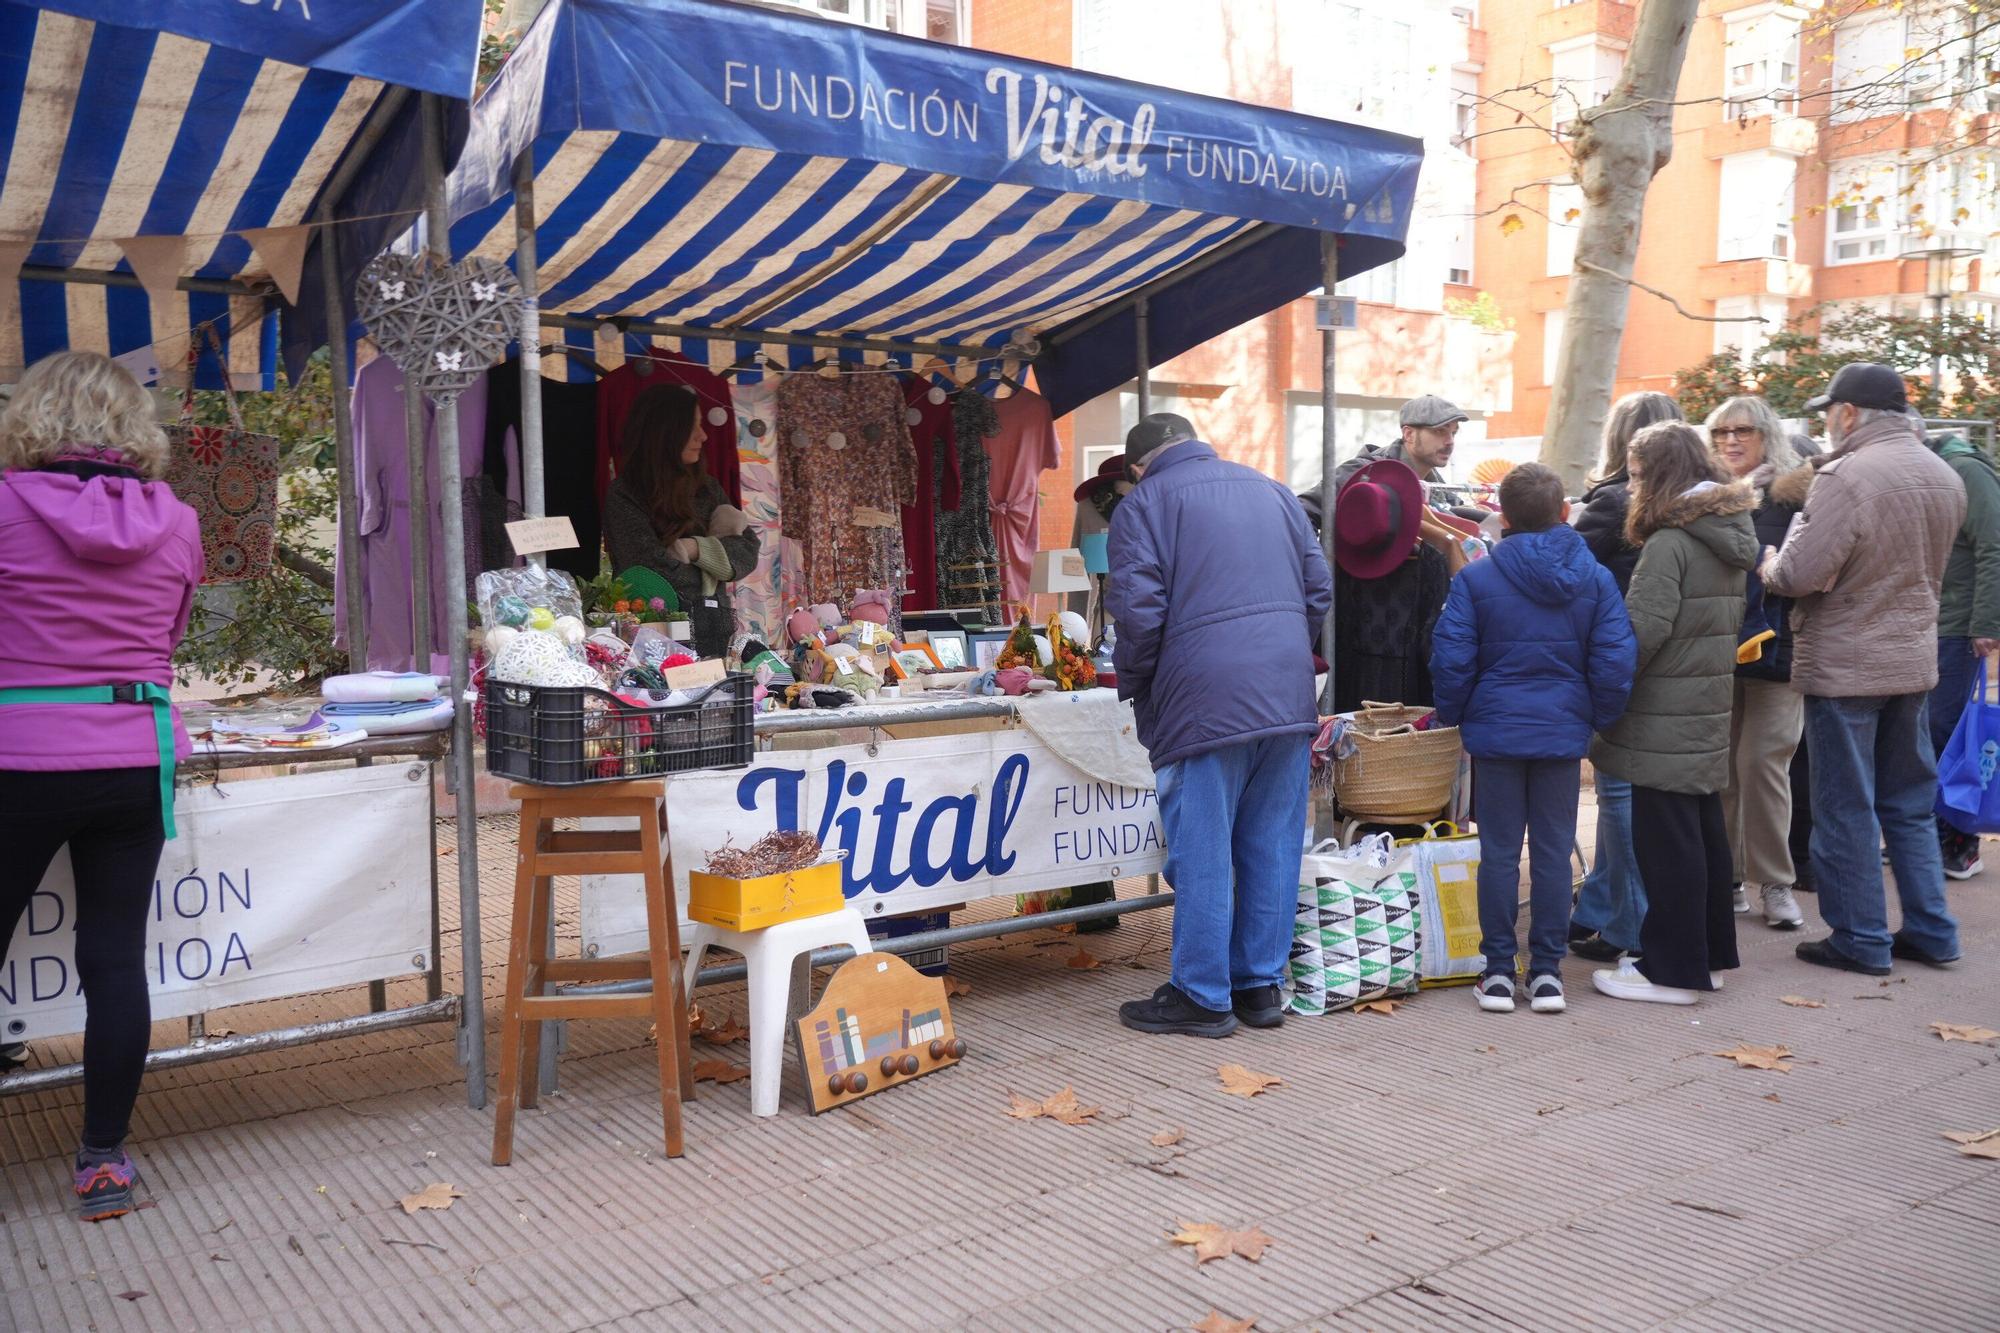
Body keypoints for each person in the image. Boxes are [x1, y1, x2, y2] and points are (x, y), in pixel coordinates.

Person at [0, 350, 204, 1220]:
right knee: (114, 960)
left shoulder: (4, 505)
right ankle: (102, 1160)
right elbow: (171, 629)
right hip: (135, 752)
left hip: (19, 754)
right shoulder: (182, 520)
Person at [1106, 412, 1332, 1037]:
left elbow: (1139, 613)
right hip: (1285, 691)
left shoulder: (1143, 504)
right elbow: (1318, 588)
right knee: (1272, 842)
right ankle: (1259, 988)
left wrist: (1137, 683)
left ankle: (1203, 995)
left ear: (1137, 467)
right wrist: (1280, 649)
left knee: (1203, 849)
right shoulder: (1274, 490)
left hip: (1203, 697)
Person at [1761, 364, 1966, 975]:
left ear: (1848, 413)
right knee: (1907, 803)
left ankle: (1860, 937)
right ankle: (1932, 929)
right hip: (1912, 658)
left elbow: (1799, 575)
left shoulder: (1846, 476)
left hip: (1847, 662)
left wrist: (1771, 563)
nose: (1826, 421)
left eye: (1830, 410)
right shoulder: (1943, 472)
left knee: (1845, 807)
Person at [1430, 463, 1636, 1014]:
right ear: (1565, 513)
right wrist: (1595, 717)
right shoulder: (1594, 578)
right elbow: (1616, 660)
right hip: (1562, 733)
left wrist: (1457, 716)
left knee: (1498, 853)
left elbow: (1451, 659)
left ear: (1502, 515)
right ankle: (1547, 974)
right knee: (1551, 853)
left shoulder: (1475, 579)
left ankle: (1497, 971)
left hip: (1496, 733)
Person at [1589, 422, 1758, 1005]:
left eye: (1636, 476)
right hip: (1704, 704)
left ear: (1657, 476)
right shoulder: (1726, 531)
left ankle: (1672, 970)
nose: (1631, 487)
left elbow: (1644, 632)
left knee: (1667, 843)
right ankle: (1705, 959)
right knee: (1701, 834)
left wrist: (1601, 687)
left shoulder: (1671, 541)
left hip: (1662, 709)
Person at [1568, 391, 1684, 964]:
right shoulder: (1692, 505)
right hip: (1682, 670)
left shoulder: (1614, 503)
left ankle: (1634, 926)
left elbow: (1567, 571)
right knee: (1630, 792)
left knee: (1618, 792)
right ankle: (1600, 909)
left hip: (1623, 661)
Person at [1705, 395, 1809, 929]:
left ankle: (1775, 884)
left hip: (1778, 651)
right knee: (1720, 769)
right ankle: (1725, 876)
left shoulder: (1793, 497)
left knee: (1763, 765)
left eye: (1743, 430)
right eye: (1721, 432)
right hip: (1717, 652)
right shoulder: (1704, 497)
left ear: (1768, 434)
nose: (1730, 440)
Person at [602, 383, 760, 660]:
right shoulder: (624, 495)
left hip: (715, 629)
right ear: (664, 431)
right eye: (693, 426)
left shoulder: (707, 488)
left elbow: (747, 550)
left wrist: (695, 550)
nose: (704, 436)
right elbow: (649, 569)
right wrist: (715, 564)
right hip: (654, 637)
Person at [1922, 421, 2000, 880]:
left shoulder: (1966, 471)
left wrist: (1986, 623)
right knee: (1930, 735)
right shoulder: (1940, 470)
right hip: (1932, 624)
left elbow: (1994, 546)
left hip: (1956, 628)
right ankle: (1931, 835)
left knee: (1950, 735)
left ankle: (1960, 842)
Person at [1298, 394, 1473, 524]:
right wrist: (1318, 567)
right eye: (1439, 431)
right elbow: (1302, 511)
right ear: (1409, 434)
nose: (1450, 441)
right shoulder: (1364, 472)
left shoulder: (1440, 492)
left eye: (1453, 433)